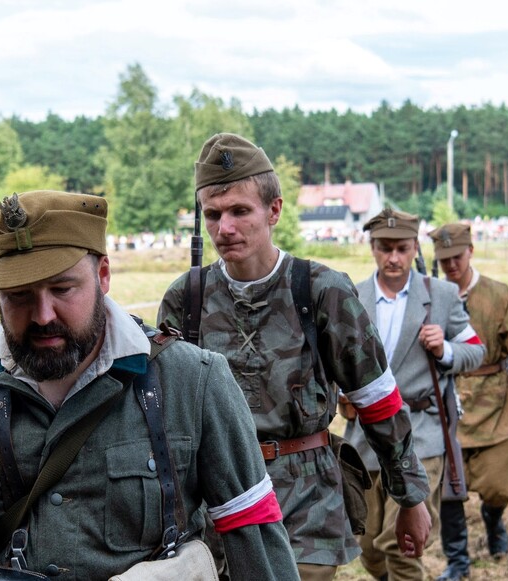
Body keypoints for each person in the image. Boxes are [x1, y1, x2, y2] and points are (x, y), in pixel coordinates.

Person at [0, 190, 300, 580]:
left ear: (103, 274)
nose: (42, 315)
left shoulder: (196, 382)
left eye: (62, 288)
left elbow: (258, 546)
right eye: (19, 296)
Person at [157, 133, 431, 581]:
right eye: (213, 214)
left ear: (274, 210)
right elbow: (166, 418)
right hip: (216, 502)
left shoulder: (323, 290)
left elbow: (377, 400)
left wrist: (411, 497)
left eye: (240, 211)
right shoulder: (185, 299)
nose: (225, 227)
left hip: (307, 502)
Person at [344, 209, 485, 581]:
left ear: (414, 248)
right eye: (385, 248)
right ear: (372, 247)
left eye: (402, 249)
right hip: (366, 437)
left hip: (421, 432)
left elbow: (476, 350)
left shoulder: (440, 294)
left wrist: (445, 350)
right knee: (369, 547)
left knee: (401, 546)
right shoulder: (350, 296)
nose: (394, 258)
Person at [428, 224, 508, 581]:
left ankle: (494, 520)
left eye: (457, 257)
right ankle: (458, 560)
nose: (451, 265)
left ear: (471, 252)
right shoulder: (429, 294)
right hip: (444, 405)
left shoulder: (499, 295)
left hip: (494, 404)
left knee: (499, 483)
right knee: (448, 489)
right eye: (444, 259)